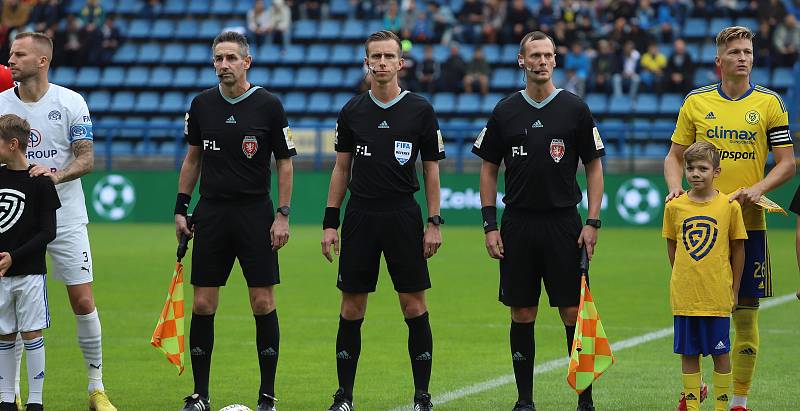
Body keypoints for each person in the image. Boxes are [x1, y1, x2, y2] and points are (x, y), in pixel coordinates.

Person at [664, 26, 796, 411]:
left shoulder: (771, 104)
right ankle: (695, 390)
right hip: (700, 226)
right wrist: (675, 188)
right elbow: (674, 155)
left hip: (749, 225)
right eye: (735, 51)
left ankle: (738, 400)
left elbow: (787, 164)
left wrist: (758, 189)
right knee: (694, 308)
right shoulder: (696, 101)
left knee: (744, 318)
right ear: (718, 61)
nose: (743, 57)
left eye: (748, 51)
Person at [472, 30, 605, 411]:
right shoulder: (505, 111)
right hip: (517, 223)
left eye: (548, 55)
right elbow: (488, 169)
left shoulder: (575, 109)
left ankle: (585, 400)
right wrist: (489, 224)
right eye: (534, 55)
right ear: (521, 61)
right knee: (522, 312)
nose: (542, 61)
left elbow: (594, 167)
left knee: (572, 313)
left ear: (555, 60)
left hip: (565, 224)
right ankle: (525, 401)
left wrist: (592, 222)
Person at [321, 29, 445, 411]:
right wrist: (330, 221)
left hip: (403, 215)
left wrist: (434, 221)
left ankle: (422, 396)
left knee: (413, 306)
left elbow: (431, 172)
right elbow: (341, 170)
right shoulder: (352, 111)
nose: (382, 63)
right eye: (375, 57)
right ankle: (344, 396)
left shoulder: (420, 110)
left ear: (400, 63)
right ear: (367, 62)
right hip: (361, 215)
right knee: (352, 308)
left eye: (388, 57)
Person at [175, 31, 294, 411]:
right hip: (211, 212)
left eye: (230, 58)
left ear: (247, 62)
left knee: (262, 302)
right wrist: (181, 206)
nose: (223, 65)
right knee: (203, 304)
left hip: (255, 213)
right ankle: (200, 395)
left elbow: (285, 162)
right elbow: (193, 159)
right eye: (218, 58)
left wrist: (283, 214)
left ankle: (268, 396)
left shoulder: (269, 105)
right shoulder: (201, 105)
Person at [0, 31, 116, 411]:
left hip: (64, 216)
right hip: (15, 220)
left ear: (42, 61)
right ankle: (11, 393)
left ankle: (96, 389)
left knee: (83, 301)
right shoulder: (1, 104)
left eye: (19, 54)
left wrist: (53, 176)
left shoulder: (70, 101)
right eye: (11, 54)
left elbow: (86, 159)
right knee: (13, 307)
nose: (11, 60)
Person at [663, 141, 747, 411]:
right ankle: (693, 405)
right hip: (686, 296)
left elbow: (737, 247)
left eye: (702, 168)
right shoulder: (675, 206)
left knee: (720, 353)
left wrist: (733, 290)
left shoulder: (729, 206)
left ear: (716, 172)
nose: (695, 173)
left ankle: (721, 407)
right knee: (688, 353)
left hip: (717, 294)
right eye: (690, 168)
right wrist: (682, 277)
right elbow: (672, 246)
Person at [0, 114, 60, 411]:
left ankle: (36, 401)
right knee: (4, 333)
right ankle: (6, 398)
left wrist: (14, 256)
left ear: (13, 144)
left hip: (29, 272)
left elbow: (48, 232)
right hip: (1, 274)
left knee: (32, 333)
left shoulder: (41, 183)